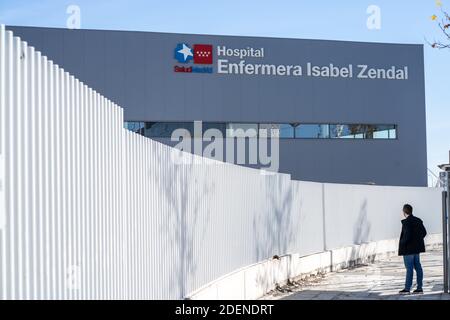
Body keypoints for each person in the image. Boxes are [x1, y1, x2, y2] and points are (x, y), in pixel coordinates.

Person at [398, 204, 427, 294]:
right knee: (418, 267)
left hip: (408, 249)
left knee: (409, 268)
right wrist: (417, 241)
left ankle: (407, 288)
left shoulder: (407, 222)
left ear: (404, 212)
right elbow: (424, 232)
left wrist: (402, 243)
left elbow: (407, 236)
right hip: (416, 249)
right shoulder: (418, 220)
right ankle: (419, 288)